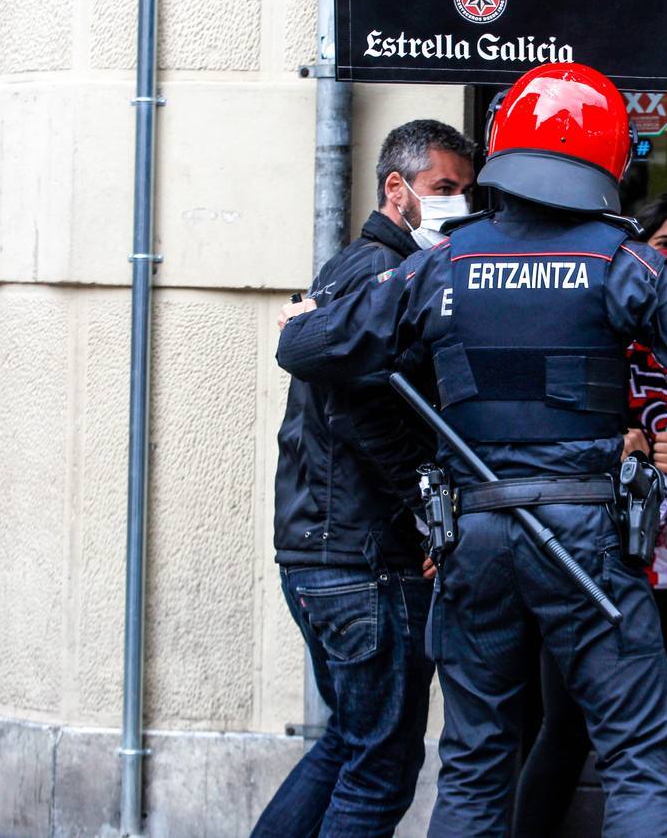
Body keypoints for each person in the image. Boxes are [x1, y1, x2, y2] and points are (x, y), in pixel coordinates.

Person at [276, 62, 667, 837]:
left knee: (474, 763)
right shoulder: (617, 260)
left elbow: (309, 347)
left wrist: (309, 319)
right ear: (608, 158)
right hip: (586, 544)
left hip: (475, 539)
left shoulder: (443, 263)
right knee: (634, 756)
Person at [513, 193, 667, 837]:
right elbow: (539, 430)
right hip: (594, 559)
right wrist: (610, 443)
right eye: (662, 244)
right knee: (566, 728)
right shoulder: (596, 331)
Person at [254, 119, 475, 837]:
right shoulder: (379, 276)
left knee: (349, 747)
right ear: (396, 189)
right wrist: (429, 508)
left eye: (466, 194)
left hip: (327, 557)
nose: (457, 207)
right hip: (364, 563)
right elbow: (364, 412)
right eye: (444, 189)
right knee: (379, 773)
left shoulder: (356, 272)